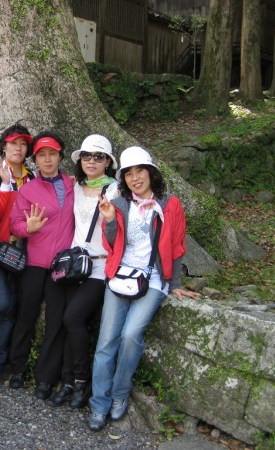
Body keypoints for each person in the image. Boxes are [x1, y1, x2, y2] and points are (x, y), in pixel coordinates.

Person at [87, 146, 199, 431]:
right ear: (123, 179)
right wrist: (109, 220)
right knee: (106, 342)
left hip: (153, 279)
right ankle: (98, 403)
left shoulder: (170, 204)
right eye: (129, 174)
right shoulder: (119, 203)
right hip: (120, 275)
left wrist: (175, 284)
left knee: (130, 335)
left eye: (140, 171)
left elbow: (176, 245)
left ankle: (120, 393)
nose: (135, 178)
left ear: (151, 173)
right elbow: (111, 243)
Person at [46, 134, 119, 409]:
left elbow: (119, 231)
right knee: (68, 322)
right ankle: (67, 382)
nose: (92, 161)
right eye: (87, 156)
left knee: (73, 318)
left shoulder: (116, 190)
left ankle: (81, 380)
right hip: (74, 265)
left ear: (108, 162)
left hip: (99, 265)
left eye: (99, 157)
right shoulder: (76, 186)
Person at [7, 131, 75, 401]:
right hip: (34, 263)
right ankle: (17, 369)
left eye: (52, 154)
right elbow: (15, 224)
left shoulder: (73, 185)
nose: (47, 159)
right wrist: (28, 228)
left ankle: (45, 378)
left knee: (55, 322)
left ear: (60, 156)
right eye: (42, 155)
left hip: (62, 265)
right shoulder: (28, 189)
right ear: (35, 159)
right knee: (25, 316)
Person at [0, 122, 35, 387]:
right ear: (3, 146)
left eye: (23, 144)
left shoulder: (32, 177)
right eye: (13, 143)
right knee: (2, 304)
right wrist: (5, 184)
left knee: (12, 310)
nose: (18, 148)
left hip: (23, 251)